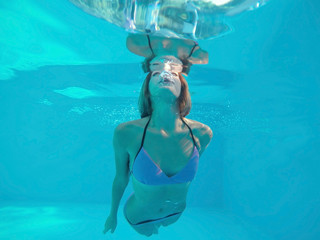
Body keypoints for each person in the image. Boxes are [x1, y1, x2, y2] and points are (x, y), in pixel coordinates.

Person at [103, 53, 213, 236]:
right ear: (147, 89)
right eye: (155, 74)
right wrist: (112, 214)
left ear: (182, 87)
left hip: (175, 213)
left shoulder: (202, 134)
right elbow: (120, 179)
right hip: (140, 216)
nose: (165, 74)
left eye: (174, 74)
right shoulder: (127, 133)